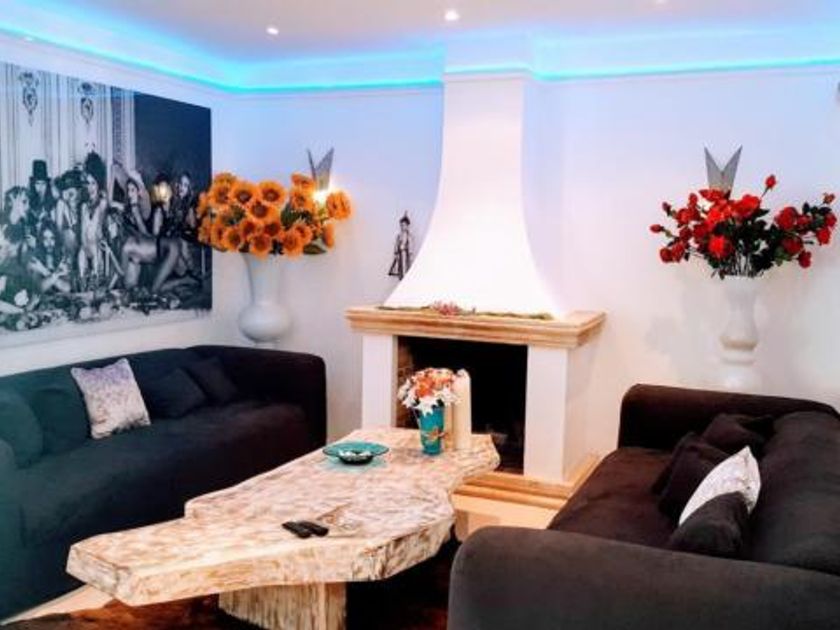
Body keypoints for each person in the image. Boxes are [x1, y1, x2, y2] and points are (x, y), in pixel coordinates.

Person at [77, 153, 110, 288]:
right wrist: (84, 247)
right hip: (85, 247)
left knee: (95, 251)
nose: (90, 187)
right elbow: (82, 232)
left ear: (98, 184)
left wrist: (103, 197)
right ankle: (82, 283)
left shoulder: (103, 203)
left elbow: (99, 229)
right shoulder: (83, 206)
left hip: (97, 247)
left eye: (93, 183)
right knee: (81, 253)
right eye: (88, 183)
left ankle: (96, 279)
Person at [28, 222, 71, 295]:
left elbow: (67, 288)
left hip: (61, 299)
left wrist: (43, 270)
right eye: (45, 238)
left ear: (56, 240)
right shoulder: (36, 259)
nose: (49, 242)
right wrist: (57, 275)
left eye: (52, 238)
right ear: (41, 240)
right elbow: (39, 289)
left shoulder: (62, 257)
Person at [27, 160, 56, 238]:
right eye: (37, 184)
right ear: (33, 185)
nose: (40, 187)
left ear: (47, 185)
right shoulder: (28, 203)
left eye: (43, 184)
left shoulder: (53, 203)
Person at [388, 212, 414, 279]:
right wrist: (396, 253)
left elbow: (410, 246)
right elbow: (396, 245)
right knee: (400, 269)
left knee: (405, 268)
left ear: (407, 226)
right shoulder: (399, 236)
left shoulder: (409, 236)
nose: (402, 227)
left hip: (405, 254)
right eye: (401, 225)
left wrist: (410, 254)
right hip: (400, 255)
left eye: (404, 225)